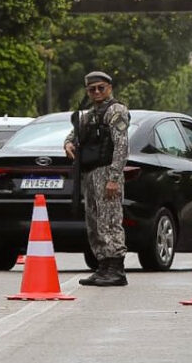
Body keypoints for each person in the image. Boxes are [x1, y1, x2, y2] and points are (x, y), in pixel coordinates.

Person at [64, 71, 130, 286]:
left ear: (109, 87)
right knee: (94, 222)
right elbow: (72, 135)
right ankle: (102, 266)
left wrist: (113, 177)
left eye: (101, 88)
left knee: (110, 221)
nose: (97, 92)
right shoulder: (88, 115)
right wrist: (68, 145)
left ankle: (116, 269)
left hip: (106, 172)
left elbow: (121, 146)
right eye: (92, 89)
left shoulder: (116, 111)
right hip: (89, 174)